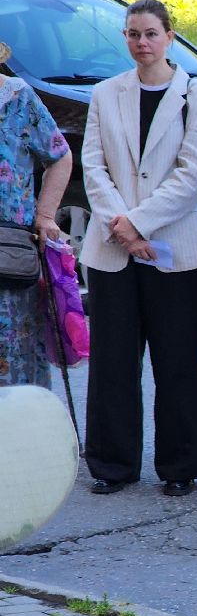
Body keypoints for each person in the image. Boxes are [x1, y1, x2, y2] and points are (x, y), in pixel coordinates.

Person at [80, 0, 197, 497]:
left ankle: (180, 465)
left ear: (169, 36)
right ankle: (111, 464)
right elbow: (93, 167)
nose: (142, 42)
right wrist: (121, 228)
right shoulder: (105, 94)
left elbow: (192, 175)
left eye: (151, 33)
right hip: (112, 248)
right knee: (113, 360)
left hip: (176, 245)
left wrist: (137, 223)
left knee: (179, 357)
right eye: (133, 34)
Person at [0, 41, 72, 388]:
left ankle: (24, 438)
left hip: (11, 253)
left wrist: (45, 216)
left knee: (17, 355)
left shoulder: (18, 98)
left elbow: (59, 155)